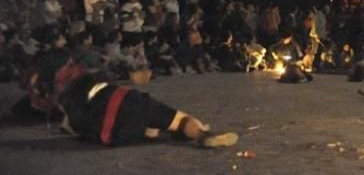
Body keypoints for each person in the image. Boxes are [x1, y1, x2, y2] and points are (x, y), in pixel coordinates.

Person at [59, 72, 238, 148]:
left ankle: (163, 132)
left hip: (112, 134)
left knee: (149, 132)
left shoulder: (72, 108)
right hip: (127, 101)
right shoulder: (100, 86)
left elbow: (70, 128)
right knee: (180, 120)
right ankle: (201, 134)